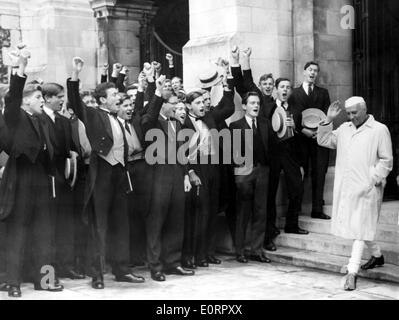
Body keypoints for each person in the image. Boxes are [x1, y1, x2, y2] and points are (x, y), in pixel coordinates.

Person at [67, 57, 145, 289]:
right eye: (114, 96)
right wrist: (75, 74)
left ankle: (122, 270)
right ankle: (97, 275)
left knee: (121, 224)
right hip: (100, 174)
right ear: (103, 100)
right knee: (98, 227)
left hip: (119, 174)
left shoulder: (119, 118)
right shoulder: (92, 113)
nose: (119, 99)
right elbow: (75, 101)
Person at [0, 46, 64, 297]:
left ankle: (44, 280)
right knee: (17, 234)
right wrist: (21, 68)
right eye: (38, 98)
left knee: (43, 234)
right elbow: (12, 96)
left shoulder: (41, 120)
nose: (42, 101)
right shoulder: (15, 116)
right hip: (20, 179)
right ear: (27, 100)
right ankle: (13, 284)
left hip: (40, 180)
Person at [317, 97, 393, 291]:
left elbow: (387, 160)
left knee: (360, 228)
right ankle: (377, 256)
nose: (351, 117)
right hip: (348, 188)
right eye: (348, 113)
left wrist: (373, 179)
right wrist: (328, 120)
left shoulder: (379, 130)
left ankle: (352, 272)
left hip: (369, 189)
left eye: (354, 113)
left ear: (364, 109)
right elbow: (324, 140)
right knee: (361, 226)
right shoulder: (344, 129)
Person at [141, 75, 194, 282]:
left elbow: (182, 153)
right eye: (173, 104)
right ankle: (155, 266)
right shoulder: (153, 121)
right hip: (158, 175)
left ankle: (173, 262)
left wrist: (186, 175)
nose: (177, 107)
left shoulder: (177, 124)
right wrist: (157, 94)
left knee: (176, 219)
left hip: (176, 174)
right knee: (156, 221)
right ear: (163, 105)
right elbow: (147, 119)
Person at [40, 82, 83, 280]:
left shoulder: (65, 122)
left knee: (66, 225)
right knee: (47, 228)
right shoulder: (37, 119)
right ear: (47, 98)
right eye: (58, 96)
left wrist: (73, 154)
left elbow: (71, 148)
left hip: (64, 180)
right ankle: (47, 273)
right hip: (44, 181)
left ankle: (67, 266)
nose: (62, 100)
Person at [263, 77, 309, 251]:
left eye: (288, 87)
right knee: (270, 193)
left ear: (291, 92)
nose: (285, 90)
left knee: (297, 188)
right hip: (272, 156)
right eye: (282, 87)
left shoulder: (297, 111)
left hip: (290, 155)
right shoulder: (267, 107)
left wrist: (295, 128)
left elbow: (300, 140)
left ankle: (292, 224)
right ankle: (270, 229)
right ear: (276, 89)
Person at [229, 91, 272, 264]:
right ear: (244, 106)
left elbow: (272, 149)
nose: (256, 106)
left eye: (258, 103)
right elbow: (231, 151)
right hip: (244, 173)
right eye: (252, 103)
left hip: (262, 171)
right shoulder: (235, 125)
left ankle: (257, 250)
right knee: (243, 212)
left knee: (261, 212)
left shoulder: (265, 123)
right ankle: (240, 251)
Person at [291, 62, 331, 220]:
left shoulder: (323, 93)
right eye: (310, 70)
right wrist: (303, 131)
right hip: (300, 140)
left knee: (319, 173)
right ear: (304, 72)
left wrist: (319, 132)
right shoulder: (294, 93)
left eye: (315, 71)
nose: (313, 73)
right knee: (298, 174)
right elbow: (292, 116)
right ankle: (296, 209)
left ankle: (317, 209)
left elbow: (328, 115)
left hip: (319, 139)